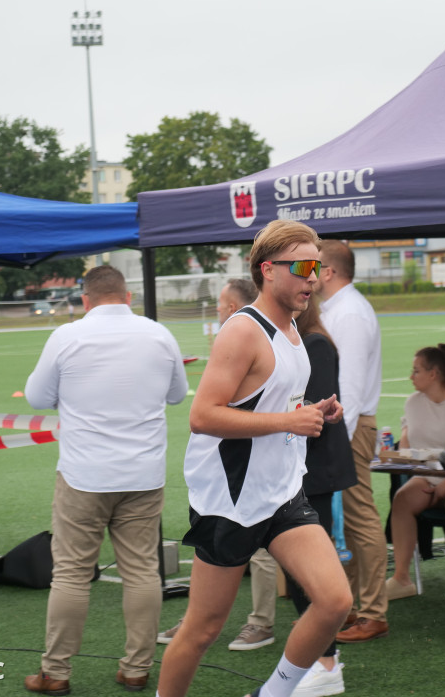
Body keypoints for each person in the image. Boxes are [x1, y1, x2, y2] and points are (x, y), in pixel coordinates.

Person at [157, 220, 352, 697]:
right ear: (268, 269)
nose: (314, 278)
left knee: (334, 601)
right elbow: (203, 416)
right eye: (304, 267)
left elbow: (270, 404)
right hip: (232, 500)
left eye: (319, 268)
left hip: (282, 492)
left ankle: (273, 693)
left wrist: (312, 413)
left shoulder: (293, 333)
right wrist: (289, 422)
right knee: (203, 629)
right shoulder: (243, 331)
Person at [23, 265, 189, 695]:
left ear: (86, 300)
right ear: (128, 296)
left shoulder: (67, 336)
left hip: (85, 474)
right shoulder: (158, 334)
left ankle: (55, 671)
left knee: (72, 574)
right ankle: (137, 668)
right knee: (141, 572)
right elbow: (176, 394)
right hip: (142, 473)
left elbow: (37, 397)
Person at [158, 277, 281, 652]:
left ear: (231, 308)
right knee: (212, 546)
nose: (217, 311)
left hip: (254, 469)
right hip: (219, 471)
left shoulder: (255, 336)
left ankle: (262, 623)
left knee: (262, 548)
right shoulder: (242, 336)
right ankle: (198, 619)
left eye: (220, 305)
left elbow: (206, 414)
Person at [317, 240, 389, 644]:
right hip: (346, 424)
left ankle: (373, 612)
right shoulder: (341, 310)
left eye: (313, 266)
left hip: (351, 426)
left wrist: (337, 440)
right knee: (348, 517)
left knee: (360, 518)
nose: (307, 274)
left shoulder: (349, 313)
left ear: (329, 272)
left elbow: (352, 387)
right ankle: (350, 608)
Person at [287, 295, 358, 697]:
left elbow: (311, 412)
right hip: (301, 471)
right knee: (302, 570)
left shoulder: (314, 344)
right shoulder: (304, 342)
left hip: (311, 472)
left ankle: (326, 663)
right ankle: (318, 660)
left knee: (311, 571)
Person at [384, 345, 445, 600]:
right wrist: (401, 456)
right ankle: (402, 579)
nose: (411, 376)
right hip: (428, 476)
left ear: (434, 374)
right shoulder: (412, 403)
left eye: (416, 370)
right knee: (403, 499)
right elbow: (407, 443)